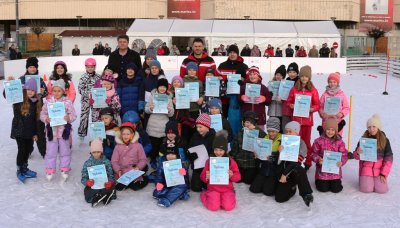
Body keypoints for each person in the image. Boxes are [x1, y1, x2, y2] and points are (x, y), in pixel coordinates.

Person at [3, 57, 48, 158]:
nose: (32, 69)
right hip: (25, 111)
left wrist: (43, 92)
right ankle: (27, 151)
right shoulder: (21, 79)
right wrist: (10, 84)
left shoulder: (40, 80)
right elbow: (9, 94)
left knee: (39, 131)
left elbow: (46, 92)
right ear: (27, 68)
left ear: (37, 68)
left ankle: (44, 151)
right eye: (30, 67)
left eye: (34, 67)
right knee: (27, 133)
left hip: (37, 110)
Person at [40, 79, 77, 181]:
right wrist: (46, 119)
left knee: (65, 151)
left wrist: (68, 118)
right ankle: (50, 169)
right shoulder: (48, 102)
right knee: (50, 152)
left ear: (63, 91)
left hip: (64, 132)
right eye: (54, 90)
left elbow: (73, 115)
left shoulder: (67, 102)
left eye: (59, 91)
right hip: (51, 132)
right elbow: (42, 114)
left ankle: (64, 168)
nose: (56, 93)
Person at [286, 65, 320, 170]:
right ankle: (295, 160)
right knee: (295, 141)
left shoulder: (313, 90)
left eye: (306, 76)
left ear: (309, 78)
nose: (304, 78)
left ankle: (307, 162)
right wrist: (291, 105)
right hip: (296, 121)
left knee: (306, 142)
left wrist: (312, 109)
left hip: (307, 122)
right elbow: (288, 101)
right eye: (302, 76)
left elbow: (317, 105)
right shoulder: (295, 89)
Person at [200, 130, 241, 211]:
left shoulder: (230, 161)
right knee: (213, 207)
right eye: (216, 150)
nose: (218, 152)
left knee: (228, 207)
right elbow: (202, 176)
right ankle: (204, 194)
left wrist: (232, 175)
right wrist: (206, 177)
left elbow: (238, 177)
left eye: (221, 150)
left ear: (225, 150)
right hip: (213, 189)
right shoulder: (209, 161)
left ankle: (228, 196)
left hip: (227, 189)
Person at [275, 121, 314, 206]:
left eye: (290, 131)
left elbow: (297, 162)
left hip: (293, 172)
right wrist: (278, 152)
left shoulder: (302, 144)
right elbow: (278, 162)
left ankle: (306, 194)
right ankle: (290, 188)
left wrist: (285, 174)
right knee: (279, 198)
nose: (288, 133)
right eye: (286, 131)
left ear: (296, 132)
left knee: (300, 169)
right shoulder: (283, 141)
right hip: (282, 171)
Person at [11, 78, 42, 182]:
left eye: (32, 90)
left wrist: (36, 133)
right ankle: (20, 170)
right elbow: (8, 95)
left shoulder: (36, 102)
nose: (30, 92)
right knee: (22, 150)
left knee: (28, 150)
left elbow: (36, 120)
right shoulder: (19, 100)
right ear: (24, 90)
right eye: (28, 89)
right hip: (19, 131)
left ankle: (25, 167)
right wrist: (11, 84)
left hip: (30, 132)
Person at [353, 114, 393, 194]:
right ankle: (365, 180)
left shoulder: (385, 140)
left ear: (378, 127)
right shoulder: (363, 139)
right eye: (369, 127)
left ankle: (375, 181)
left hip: (379, 170)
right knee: (366, 189)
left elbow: (388, 158)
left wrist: (383, 173)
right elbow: (356, 156)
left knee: (382, 190)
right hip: (366, 169)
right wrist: (357, 153)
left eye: (374, 126)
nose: (371, 129)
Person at [311, 118, 348, 193]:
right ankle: (318, 180)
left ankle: (334, 181)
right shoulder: (318, 141)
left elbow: (344, 154)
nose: (330, 132)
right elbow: (313, 153)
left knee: (336, 189)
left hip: (335, 171)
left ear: (336, 131)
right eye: (328, 129)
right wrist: (318, 159)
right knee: (323, 189)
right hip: (322, 172)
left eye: (332, 130)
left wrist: (341, 162)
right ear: (324, 129)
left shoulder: (340, 142)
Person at [230, 111, 266, 185]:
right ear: (243, 123)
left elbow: (266, 140)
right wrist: (232, 156)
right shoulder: (239, 133)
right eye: (247, 122)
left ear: (255, 124)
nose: (248, 124)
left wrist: (256, 130)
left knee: (248, 181)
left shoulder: (259, 133)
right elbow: (235, 148)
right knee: (238, 179)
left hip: (251, 164)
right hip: (240, 162)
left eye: (251, 122)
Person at [145, 78, 174, 167]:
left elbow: (172, 114)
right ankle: (153, 160)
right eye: (160, 86)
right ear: (157, 87)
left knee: (162, 146)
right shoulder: (152, 97)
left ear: (166, 88)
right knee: (153, 145)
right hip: (153, 125)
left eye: (164, 87)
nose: (162, 88)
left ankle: (160, 160)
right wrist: (151, 108)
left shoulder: (169, 99)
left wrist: (169, 110)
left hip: (163, 126)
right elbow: (146, 110)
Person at [112, 122, 148, 191]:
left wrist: (138, 167)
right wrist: (118, 170)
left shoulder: (138, 146)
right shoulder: (117, 147)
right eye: (123, 134)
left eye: (128, 134)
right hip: (122, 172)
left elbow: (143, 159)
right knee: (118, 188)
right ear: (120, 135)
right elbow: (114, 161)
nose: (125, 136)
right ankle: (126, 183)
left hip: (133, 171)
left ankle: (144, 177)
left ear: (132, 135)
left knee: (136, 187)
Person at [249, 117, 282, 196]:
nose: (271, 134)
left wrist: (274, 157)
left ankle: (274, 184)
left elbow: (283, 159)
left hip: (274, 171)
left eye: (273, 131)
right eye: (269, 131)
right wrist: (256, 155)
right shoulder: (265, 138)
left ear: (277, 130)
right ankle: (264, 181)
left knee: (267, 192)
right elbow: (260, 156)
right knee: (254, 189)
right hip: (264, 169)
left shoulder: (282, 140)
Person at [81, 139, 116, 207]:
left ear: (101, 152)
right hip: (93, 184)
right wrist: (87, 182)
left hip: (104, 183)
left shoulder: (106, 162)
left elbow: (111, 174)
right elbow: (84, 176)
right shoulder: (88, 163)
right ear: (91, 152)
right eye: (94, 152)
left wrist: (110, 181)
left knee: (111, 188)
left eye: (98, 152)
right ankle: (96, 197)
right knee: (87, 191)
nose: (96, 154)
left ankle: (106, 197)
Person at [218, 44, 249, 118]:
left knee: (236, 120)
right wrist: (218, 79)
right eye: (230, 52)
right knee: (224, 119)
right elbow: (216, 78)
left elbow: (249, 80)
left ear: (237, 54)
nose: (232, 54)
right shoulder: (222, 66)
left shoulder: (244, 66)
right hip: (224, 99)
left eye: (234, 52)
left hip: (237, 99)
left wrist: (244, 80)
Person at [187, 113, 216, 192]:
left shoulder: (213, 137)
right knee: (195, 188)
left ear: (207, 127)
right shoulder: (194, 136)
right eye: (197, 127)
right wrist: (191, 155)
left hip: (209, 167)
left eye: (200, 127)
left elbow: (217, 152)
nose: (198, 129)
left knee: (209, 187)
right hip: (197, 167)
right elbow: (190, 148)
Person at [318, 72, 349, 137]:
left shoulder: (341, 94)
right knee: (325, 139)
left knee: (337, 140)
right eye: (330, 82)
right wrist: (322, 114)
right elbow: (319, 106)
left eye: (334, 82)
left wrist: (341, 114)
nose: (332, 84)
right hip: (326, 121)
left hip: (337, 121)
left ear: (337, 83)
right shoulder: (325, 94)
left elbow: (346, 107)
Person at [78, 58, 101, 140]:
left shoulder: (98, 77)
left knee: (96, 116)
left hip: (96, 101)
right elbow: (80, 89)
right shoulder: (83, 77)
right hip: (86, 100)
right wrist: (88, 95)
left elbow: (101, 87)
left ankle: (96, 133)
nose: (90, 68)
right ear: (85, 67)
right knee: (84, 116)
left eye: (92, 67)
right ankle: (82, 133)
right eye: (88, 67)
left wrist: (99, 95)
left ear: (95, 67)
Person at [281, 62, 299, 133]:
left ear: (297, 73)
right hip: (286, 110)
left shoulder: (299, 82)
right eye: (290, 72)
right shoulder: (285, 82)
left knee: (294, 129)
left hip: (296, 110)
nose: (292, 74)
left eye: (294, 72)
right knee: (285, 128)